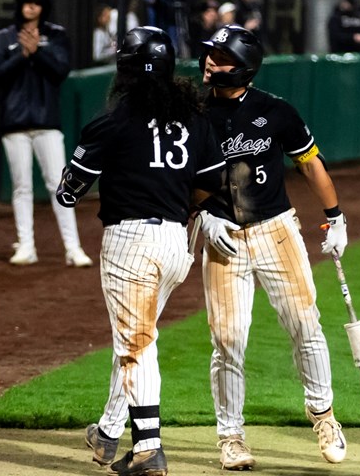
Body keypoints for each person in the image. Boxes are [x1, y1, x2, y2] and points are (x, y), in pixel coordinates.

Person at [57, 26, 226, 476]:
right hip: (175, 244)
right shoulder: (193, 116)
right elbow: (211, 184)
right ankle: (109, 434)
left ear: (124, 68)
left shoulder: (113, 118)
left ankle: (149, 447)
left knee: (137, 346)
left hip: (130, 243)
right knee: (134, 339)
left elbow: (68, 193)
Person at [197, 25, 348, 470]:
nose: (210, 61)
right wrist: (201, 216)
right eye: (210, 53)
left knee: (306, 326)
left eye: (220, 57)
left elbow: (311, 164)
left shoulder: (275, 111)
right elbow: (182, 177)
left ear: (242, 68)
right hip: (222, 237)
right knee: (227, 340)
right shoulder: (192, 112)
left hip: (277, 232)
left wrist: (335, 217)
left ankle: (324, 416)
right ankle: (231, 437)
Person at [0, 0, 92, 267]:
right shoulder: (4, 37)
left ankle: (73, 248)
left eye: (36, 1)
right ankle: (26, 246)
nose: (31, 6)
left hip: (47, 122)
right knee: (21, 187)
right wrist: (21, 55)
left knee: (60, 185)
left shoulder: (56, 35)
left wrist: (38, 52)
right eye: (26, 1)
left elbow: (60, 71)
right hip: (14, 122)